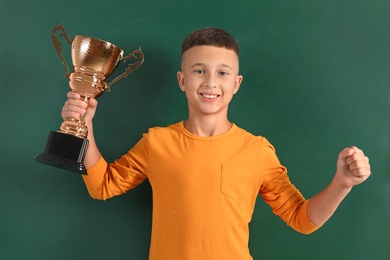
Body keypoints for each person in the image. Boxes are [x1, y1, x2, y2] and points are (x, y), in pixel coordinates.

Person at [61, 28, 371, 260]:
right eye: (199, 71)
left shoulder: (257, 151)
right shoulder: (157, 142)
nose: (210, 82)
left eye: (222, 73)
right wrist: (84, 126)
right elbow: (102, 185)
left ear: (235, 84)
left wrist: (342, 183)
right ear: (183, 81)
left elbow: (302, 219)